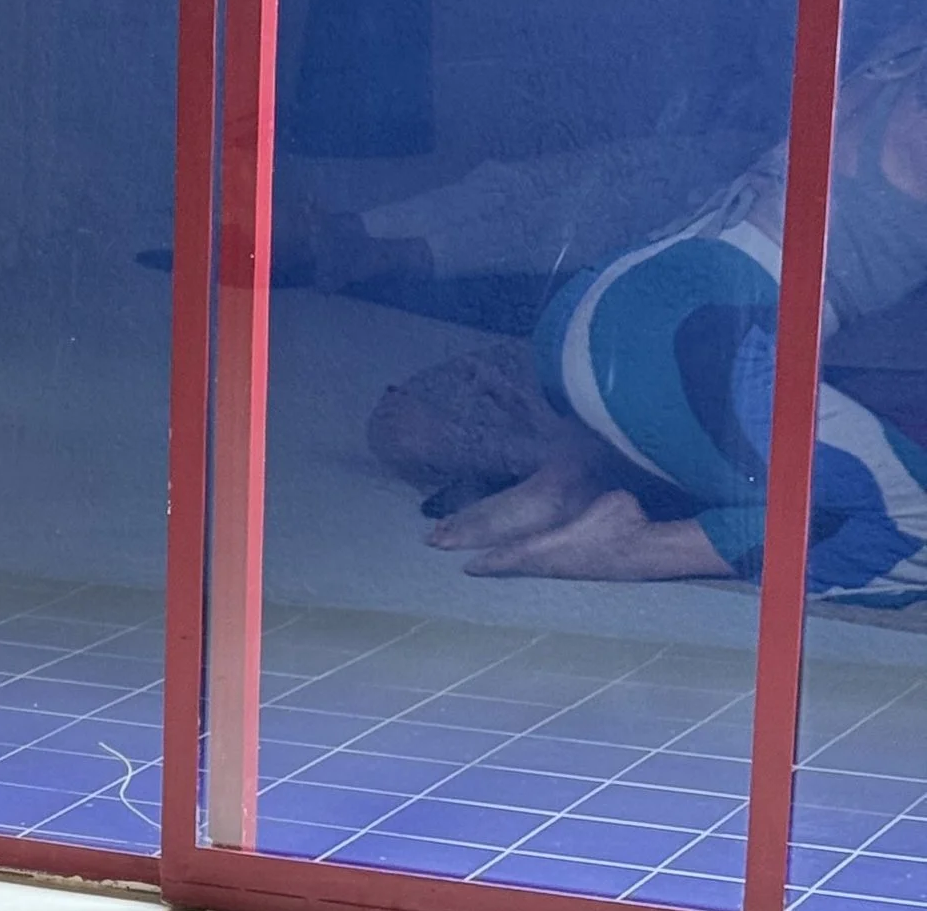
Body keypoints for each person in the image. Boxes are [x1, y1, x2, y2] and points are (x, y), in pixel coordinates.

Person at [344, 32, 927, 604]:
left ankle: (563, 485)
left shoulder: (897, 55)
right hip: (699, 348)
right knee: (911, 521)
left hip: (596, 305)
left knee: (738, 434)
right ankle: (642, 549)